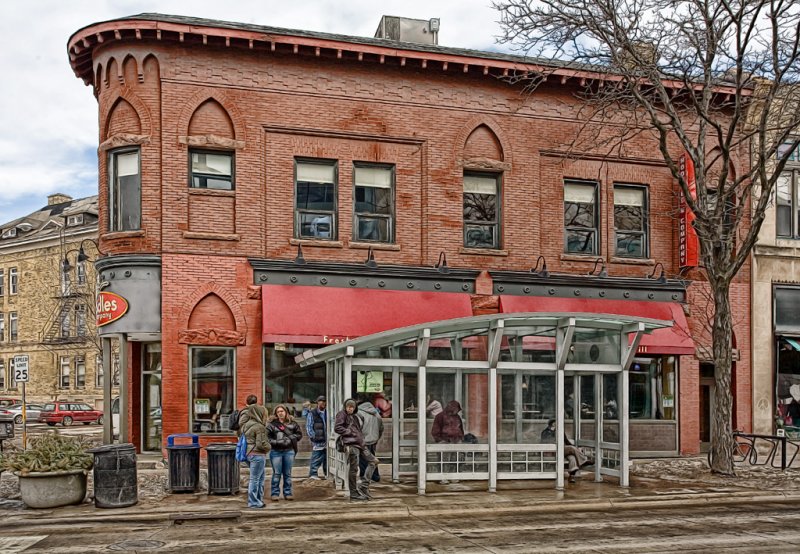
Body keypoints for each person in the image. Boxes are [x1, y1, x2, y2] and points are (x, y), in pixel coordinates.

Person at [334, 398, 378, 501]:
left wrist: (360, 438)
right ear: (345, 407)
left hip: (360, 444)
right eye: (349, 407)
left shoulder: (355, 416)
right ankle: (353, 493)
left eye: (352, 407)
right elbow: (337, 427)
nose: (350, 409)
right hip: (352, 445)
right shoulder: (342, 414)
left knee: (374, 461)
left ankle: (364, 486)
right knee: (354, 469)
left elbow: (358, 430)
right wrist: (350, 432)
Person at [238, 395, 269, 509]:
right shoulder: (260, 426)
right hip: (257, 454)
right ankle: (253, 502)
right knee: (256, 479)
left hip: (248, 453)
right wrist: (269, 447)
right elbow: (261, 444)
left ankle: (258, 500)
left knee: (257, 478)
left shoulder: (245, 425)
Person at [266, 404, 303, 501]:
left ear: (286, 412)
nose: (280, 413)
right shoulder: (272, 425)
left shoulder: (293, 423)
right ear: (276, 414)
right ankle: (275, 493)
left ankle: (288, 493)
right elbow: (267, 438)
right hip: (276, 452)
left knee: (287, 474)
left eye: (282, 411)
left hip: (289, 451)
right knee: (277, 474)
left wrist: (290, 440)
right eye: (278, 412)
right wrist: (277, 442)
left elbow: (299, 435)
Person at [541, 419, 591, 483]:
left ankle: (571, 476)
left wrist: (575, 448)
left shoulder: (560, 431)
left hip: (562, 450)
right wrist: (554, 433)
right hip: (553, 451)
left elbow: (567, 442)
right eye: (557, 423)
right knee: (571, 449)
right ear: (553, 424)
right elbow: (546, 442)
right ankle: (583, 461)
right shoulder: (545, 432)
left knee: (572, 457)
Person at [431, 400, 464, 484]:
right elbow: (435, 430)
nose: (457, 411)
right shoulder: (440, 416)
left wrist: (461, 438)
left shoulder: (457, 417)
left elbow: (461, 428)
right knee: (444, 460)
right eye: (456, 409)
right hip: (445, 441)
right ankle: (443, 477)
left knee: (455, 460)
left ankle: (453, 476)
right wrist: (440, 440)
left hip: (456, 441)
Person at [357, 397, 384, 482]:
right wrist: (377, 437)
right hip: (373, 440)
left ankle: (364, 477)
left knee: (363, 459)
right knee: (372, 458)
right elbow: (381, 427)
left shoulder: (359, 413)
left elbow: (358, 427)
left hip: (363, 440)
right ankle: (375, 477)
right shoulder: (376, 413)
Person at [306, 395, 328, 479]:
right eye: (321, 401)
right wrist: (313, 437)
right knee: (316, 457)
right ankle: (313, 474)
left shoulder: (328, 412)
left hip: (327, 439)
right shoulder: (312, 413)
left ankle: (327, 473)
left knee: (327, 458)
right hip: (318, 440)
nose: (323, 403)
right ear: (317, 402)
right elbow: (309, 426)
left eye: (324, 401)